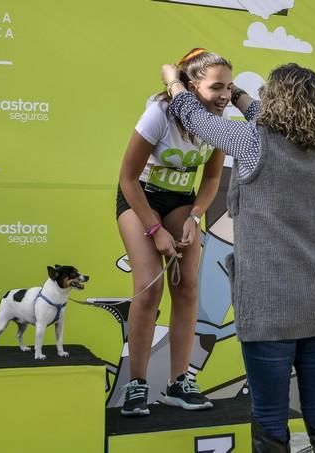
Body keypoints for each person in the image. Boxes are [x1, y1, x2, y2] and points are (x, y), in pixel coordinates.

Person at [162, 62, 315, 452]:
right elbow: (262, 120)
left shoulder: (252, 142)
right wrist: (240, 97)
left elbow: (196, 118)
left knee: (270, 418)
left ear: (274, 101)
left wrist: (174, 83)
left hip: (270, 303)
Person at [117, 48, 231, 417]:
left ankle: (179, 381)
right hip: (140, 199)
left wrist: (195, 216)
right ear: (192, 87)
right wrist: (154, 229)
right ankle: (137, 384)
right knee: (149, 287)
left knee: (187, 287)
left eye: (229, 87)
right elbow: (128, 179)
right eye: (217, 87)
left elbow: (212, 178)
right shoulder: (159, 114)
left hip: (181, 202)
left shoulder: (218, 122)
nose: (225, 95)